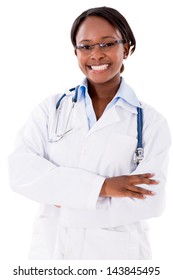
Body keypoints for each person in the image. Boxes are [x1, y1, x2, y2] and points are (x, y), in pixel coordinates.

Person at [8, 6, 171, 260]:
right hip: (52, 254)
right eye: (86, 46)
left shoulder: (150, 122)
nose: (96, 54)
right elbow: (20, 172)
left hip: (118, 259)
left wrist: (63, 197)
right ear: (75, 52)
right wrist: (104, 187)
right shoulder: (51, 109)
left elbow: (150, 200)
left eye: (107, 44)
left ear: (125, 48)